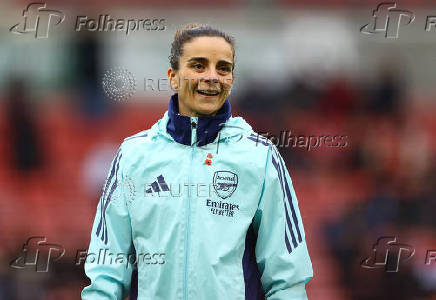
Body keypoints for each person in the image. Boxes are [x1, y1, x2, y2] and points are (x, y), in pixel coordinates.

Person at [81, 23, 313, 300]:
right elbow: (106, 271)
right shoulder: (133, 157)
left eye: (223, 68)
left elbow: (287, 279)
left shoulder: (259, 158)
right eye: (199, 66)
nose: (212, 77)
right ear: (174, 77)